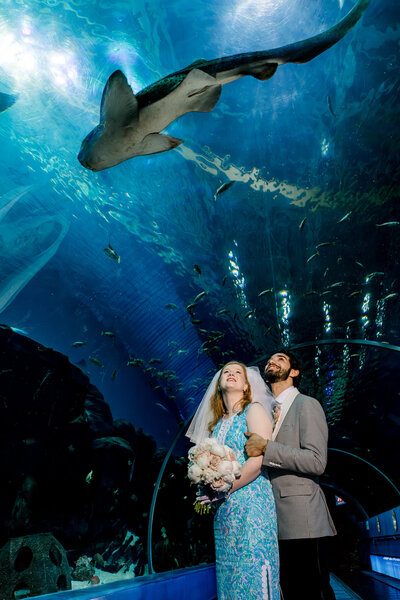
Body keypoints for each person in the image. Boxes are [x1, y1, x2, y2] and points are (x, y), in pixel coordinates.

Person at [245, 350, 337, 600]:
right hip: (271, 521)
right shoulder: (262, 412)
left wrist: (267, 447)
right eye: (269, 359)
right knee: (290, 591)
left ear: (294, 372)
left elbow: (317, 461)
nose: (271, 361)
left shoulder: (307, 404)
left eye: (280, 359)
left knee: (313, 591)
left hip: (303, 519)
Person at [186, 362, 280, 600]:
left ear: (247, 385)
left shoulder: (254, 410)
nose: (232, 374)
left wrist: (225, 489)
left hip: (252, 509)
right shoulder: (215, 426)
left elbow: (259, 461)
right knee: (230, 579)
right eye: (226, 371)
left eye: (239, 372)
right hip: (225, 515)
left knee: (253, 575)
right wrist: (206, 484)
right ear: (218, 383)